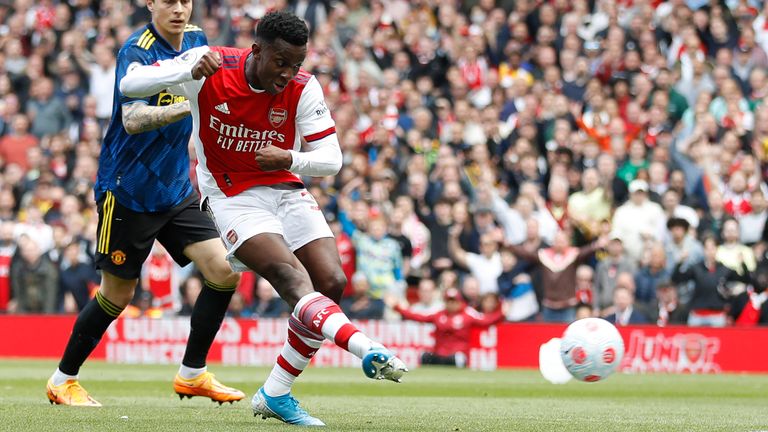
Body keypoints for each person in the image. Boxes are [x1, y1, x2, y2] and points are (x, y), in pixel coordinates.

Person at [120, 11, 407, 426]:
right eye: (281, 62)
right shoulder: (210, 66)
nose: (289, 73)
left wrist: (289, 157)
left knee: (332, 283)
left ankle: (275, 392)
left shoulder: (304, 88)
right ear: (256, 50)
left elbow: (331, 160)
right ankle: (365, 347)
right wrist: (185, 66)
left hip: (285, 187)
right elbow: (130, 84)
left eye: (296, 64)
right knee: (290, 277)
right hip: (230, 193)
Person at [46, 0, 244, 408]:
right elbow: (133, 119)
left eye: (185, 0)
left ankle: (192, 374)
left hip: (174, 187)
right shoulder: (135, 51)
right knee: (118, 295)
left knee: (224, 271)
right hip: (128, 190)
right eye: (168, 0)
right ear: (150, 3)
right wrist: (187, 105)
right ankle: (62, 379)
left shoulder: (195, 39)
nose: (178, 8)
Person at [385, 288, 503, 367]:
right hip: (439, 354)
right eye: (448, 301)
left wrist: (502, 312)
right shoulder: (439, 314)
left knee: (458, 359)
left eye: (454, 301)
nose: (451, 304)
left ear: (459, 302)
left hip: (456, 355)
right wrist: (397, 308)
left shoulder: (468, 314)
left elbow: (486, 321)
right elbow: (418, 316)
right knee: (424, 356)